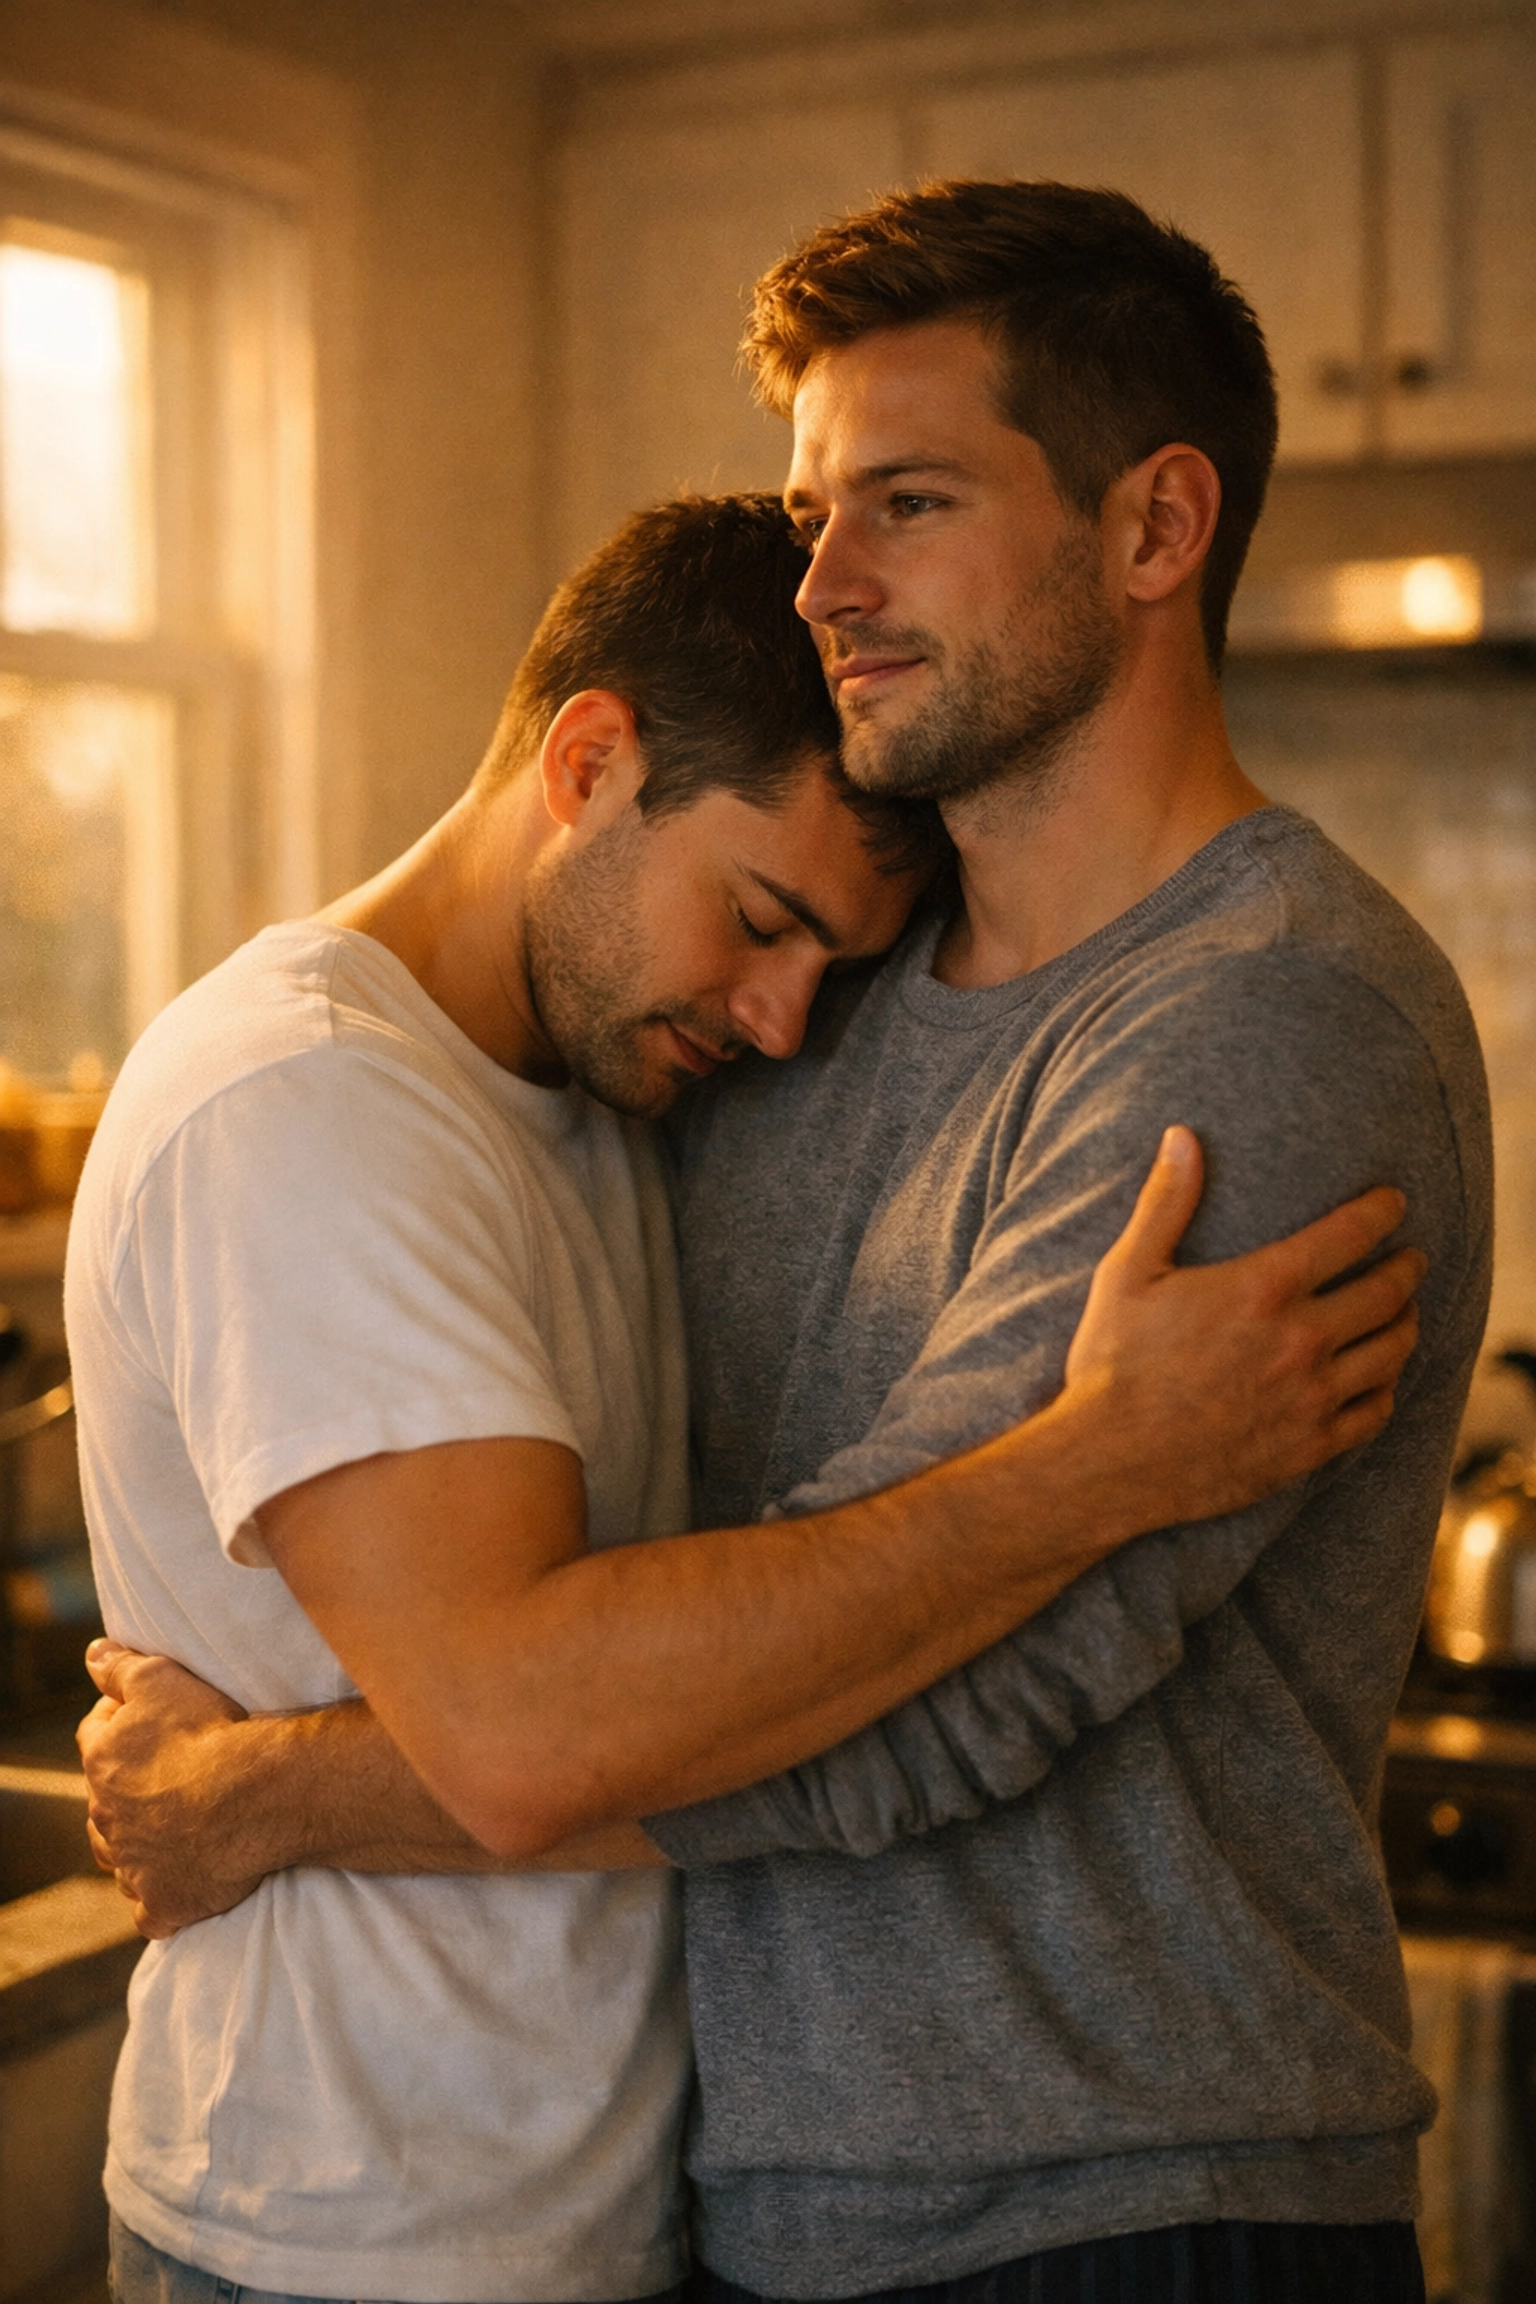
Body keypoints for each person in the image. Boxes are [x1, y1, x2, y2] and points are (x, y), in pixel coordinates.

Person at [78, 180, 1481, 2301]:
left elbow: (945, 1700)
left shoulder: (1266, 1012)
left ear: (1155, 529)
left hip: (1132, 2206)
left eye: (904, 502)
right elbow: (695, 1622)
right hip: (765, 2212)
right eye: (815, 510)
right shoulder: (782, 1040)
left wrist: (278, 1795)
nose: (822, 579)